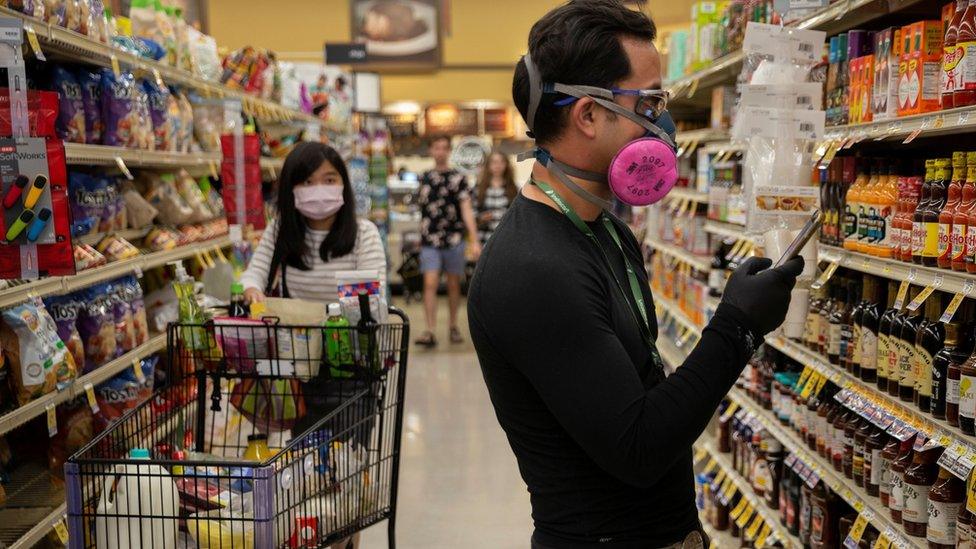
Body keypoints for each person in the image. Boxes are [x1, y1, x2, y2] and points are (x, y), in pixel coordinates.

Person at [467, 2, 804, 548]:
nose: (663, 122)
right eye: (649, 101)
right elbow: (639, 447)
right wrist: (738, 326)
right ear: (588, 114)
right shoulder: (534, 270)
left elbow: (641, 388)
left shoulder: (605, 230)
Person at [241, 141, 386, 304]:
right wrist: (252, 289)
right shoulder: (280, 229)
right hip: (291, 328)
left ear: (344, 184)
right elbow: (254, 274)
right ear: (290, 188)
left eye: (329, 180)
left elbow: (371, 298)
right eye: (307, 182)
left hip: (344, 328)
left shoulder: (365, 235)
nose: (319, 190)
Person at [415, 135, 482, 347]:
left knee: (454, 285)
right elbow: (422, 211)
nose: (441, 151)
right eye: (437, 147)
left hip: (454, 239)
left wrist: (474, 240)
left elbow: (466, 210)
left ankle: (453, 326)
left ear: (449, 151)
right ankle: (430, 329)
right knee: (430, 283)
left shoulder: (459, 178)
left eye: (444, 148)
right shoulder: (423, 178)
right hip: (429, 240)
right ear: (431, 150)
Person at [475, 152, 519, 245]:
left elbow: (519, 216)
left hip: (507, 240)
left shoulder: (515, 189)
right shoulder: (479, 189)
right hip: (484, 239)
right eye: (494, 162)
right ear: (488, 165)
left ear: (506, 165)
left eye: (501, 162)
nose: (497, 165)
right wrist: (481, 218)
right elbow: (471, 214)